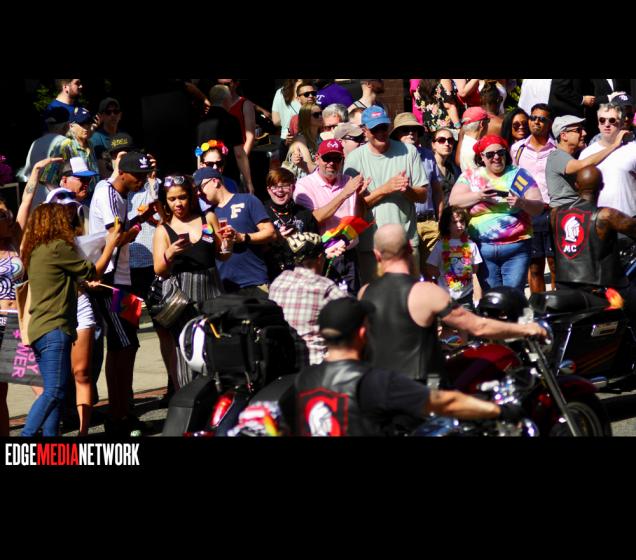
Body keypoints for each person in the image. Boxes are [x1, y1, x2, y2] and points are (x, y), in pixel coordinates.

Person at [295, 297, 529, 437]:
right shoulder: (375, 381)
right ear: (363, 333)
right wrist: (500, 411)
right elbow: (445, 402)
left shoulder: (303, 381)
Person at [358, 224, 546, 384]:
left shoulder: (364, 293)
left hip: (380, 387)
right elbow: (478, 326)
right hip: (424, 392)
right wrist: (526, 329)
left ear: (377, 255)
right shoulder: (426, 292)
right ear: (409, 248)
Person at [20, 204, 120, 437]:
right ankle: (27, 437)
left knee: (56, 391)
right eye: (66, 220)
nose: (71, 224)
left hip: (40, 329)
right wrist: (111, 243)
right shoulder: (57, 247)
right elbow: (93, 271)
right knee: (54, 391)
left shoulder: (37, 250)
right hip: (54, 329)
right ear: (56, 222)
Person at [88, 151, 154, 437]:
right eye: (137, 176)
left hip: (122, 279)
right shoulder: (107, 193)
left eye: (144, 175)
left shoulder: (120, 194)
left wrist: (141, 217)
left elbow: (120, 233)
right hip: (110, 281)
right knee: (125, 344)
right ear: (123, 173)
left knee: (122, 345)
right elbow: (115, 238)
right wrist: (138, 226)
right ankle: (118, 415)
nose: (141, 181)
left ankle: (121, 412)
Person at [153, 173, 229, 389]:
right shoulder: (163, 230)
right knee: (187, 347)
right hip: (184, 296)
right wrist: (170, 252)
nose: (178, 203)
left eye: (182, 197)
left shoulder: (208, 219)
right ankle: (190, 398)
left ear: (191, 197)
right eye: (172, 199)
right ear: (166, 202)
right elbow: (159, 269)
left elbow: (222, 254)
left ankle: (220, 396)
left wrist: (229, 243)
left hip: (213, 290)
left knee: (217, 343)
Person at [343, 106, 429, 285]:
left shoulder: (409, 151)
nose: (381, 133)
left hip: (406, 242)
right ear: (364, 131)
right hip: (371, 245)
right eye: (375, 129)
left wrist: (407, 190)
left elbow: (423, 195)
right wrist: (385, 189)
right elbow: (352, 208)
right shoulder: (354, 159)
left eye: (384, 127)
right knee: (375, 297)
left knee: (410, 295)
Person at [449, 134, 544, 291]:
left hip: (516, 247)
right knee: (492, 296)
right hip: (482, 247)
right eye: (490, 154)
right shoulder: (471, 176)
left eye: (500, 153)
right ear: (482, 157)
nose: (496, 157)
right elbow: (454, 201)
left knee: (513, 295)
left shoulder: (519, 174)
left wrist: (521, 202)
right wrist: (479, 195)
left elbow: (538, 206)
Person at [551, 166, 636, 318]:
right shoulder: (606, 215)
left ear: (576, 186)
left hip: (564, 287)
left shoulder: (555, 213)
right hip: (601, 289)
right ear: (601, 186)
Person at [294, 139, 369, 294]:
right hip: (322, 255)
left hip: (349, 254)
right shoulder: (304, 185)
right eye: (327, 158)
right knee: (324, 303)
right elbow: (314, 219)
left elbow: (358, 218)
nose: (331, 163)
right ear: (317, 158)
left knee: (351, 302)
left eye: (336, 159)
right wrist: (344, 193)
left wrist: (359, 197)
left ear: (342, 160)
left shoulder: (349, 181)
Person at [269, 232, 348, 368]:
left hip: (285, 365)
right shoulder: (324, 286)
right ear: (320, 258)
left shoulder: (278, 282)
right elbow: (353, 316)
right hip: (316, 366)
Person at [195, 168, 276, 297]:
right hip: (223, 288)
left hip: (254, 282)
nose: (199, 193)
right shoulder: (207, 216)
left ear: (215, 181)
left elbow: (271, 233)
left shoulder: (248, 200)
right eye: (196, 190)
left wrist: (242, 237)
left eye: (200, 186)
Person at [511, 104, 557, 293]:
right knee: (535, 267)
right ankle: (539, 306)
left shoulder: (557, 149)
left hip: (552, 211)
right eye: (533, 118)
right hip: (528, 213)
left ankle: (559, 305)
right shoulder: (517, 149)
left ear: (550, 123)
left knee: (555, 265)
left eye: (542, 119)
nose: (536, 122)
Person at [389, 112, 444, 273]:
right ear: (397, 134)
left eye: (414, 129)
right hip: (405, 222)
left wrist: (439, 218)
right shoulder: (390, 157)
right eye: (405, 130)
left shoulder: (428, 155)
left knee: (434, 272)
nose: (410, 133)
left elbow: (437, 190)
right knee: (409, 272)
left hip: (429, 222)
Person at [546, 115, 629, 209]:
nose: (584, 133)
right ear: (564, 136)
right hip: (562, 213)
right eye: (578, 130)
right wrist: (614, 145)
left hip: (574, 210)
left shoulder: (571, 156)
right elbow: (582, 165)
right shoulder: (556, 156)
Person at [579, 103, 636, 218]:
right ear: (598, 124)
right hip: (598, 221)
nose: (607, 124)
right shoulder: (587, 153)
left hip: (628, 219)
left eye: (612, 120)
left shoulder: (633, 149)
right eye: (602, 120)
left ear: (621, 124)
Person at [263, 167, 319, 281]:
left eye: (285, 185)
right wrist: (277, 238)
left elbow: (316, 247)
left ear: (293, 187)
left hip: (301, 277)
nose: (280, 190)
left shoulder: (304, 214)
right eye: (275, 186)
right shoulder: (261, 212)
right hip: (270, 276)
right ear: (268, 190)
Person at [196, 85, 254, 194]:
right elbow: (239, 154)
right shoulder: (231, 121)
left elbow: (198, 152)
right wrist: (248, 182)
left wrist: (199, 177)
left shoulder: (201, 122)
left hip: (207, 177)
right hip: (228, 177)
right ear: (226, 100)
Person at [425, 207, 482, 309]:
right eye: (454, 222)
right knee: (447, 318)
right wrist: (440, 275)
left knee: (466, 317)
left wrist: (465, 274)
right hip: (446, 294)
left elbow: (475, 267)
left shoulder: (471, 244)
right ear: (447, 225)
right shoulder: (440, 245)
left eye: (461, 221)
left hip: (466, 294)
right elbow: (430, 266)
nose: (459, 225)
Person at [40, 107, 100, 202]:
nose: (86, 127)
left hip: (93, 199)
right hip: (74, 200)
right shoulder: (64, 145)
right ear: (71, 126)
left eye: (88, 123)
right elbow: (47, 178)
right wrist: (64, 199)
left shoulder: (90, 144)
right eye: (82, 124)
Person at [17, 107, 69, 189]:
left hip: (34, 193)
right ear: (66, 126)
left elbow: (26, 174)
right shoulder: (66, 142)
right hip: (56, 195)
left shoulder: (35, 143)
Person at [217, 79, 257, 156]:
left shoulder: (245, 104)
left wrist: (242, 159)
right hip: (219, 157)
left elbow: (250, 137)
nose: (223, 87)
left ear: (236, 83)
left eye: (227, 84)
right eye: (219, 84)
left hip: (238, 154)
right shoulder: (217, 104)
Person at [283, 104, 323, 179]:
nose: (320, 117)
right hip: (301, 181)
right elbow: (309, 168)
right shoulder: (300, 139)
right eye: (316, 115)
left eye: (321, 113)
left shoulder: (319, 138)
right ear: (306, 119)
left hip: (315, 179)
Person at [91, 98, 124, 179]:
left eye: (115, 112)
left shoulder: (125, 136)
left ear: (120, 115)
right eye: (108, 112)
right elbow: (104, 172)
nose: (112, 115)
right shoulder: (96, 138)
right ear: (101, 116)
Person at [456, 107, 490, 172]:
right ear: (482, 124)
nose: (488, 124)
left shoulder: (465, 141)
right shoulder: (477, 149)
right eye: (488, 121)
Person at [271, 79, 302, 147]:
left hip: (286, 137)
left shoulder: (280, 92)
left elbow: (276, 121)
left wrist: (287, 122)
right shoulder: (309, 91)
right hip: (304, 138)